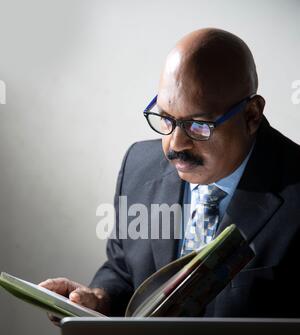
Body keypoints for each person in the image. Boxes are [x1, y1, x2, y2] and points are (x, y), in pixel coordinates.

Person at [41, 28, 300, 319]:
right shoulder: (138, 165)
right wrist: (99, 298)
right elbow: (125, 271)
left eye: (198, 125)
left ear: (252, 115)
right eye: (165, 118)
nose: (174, 145)